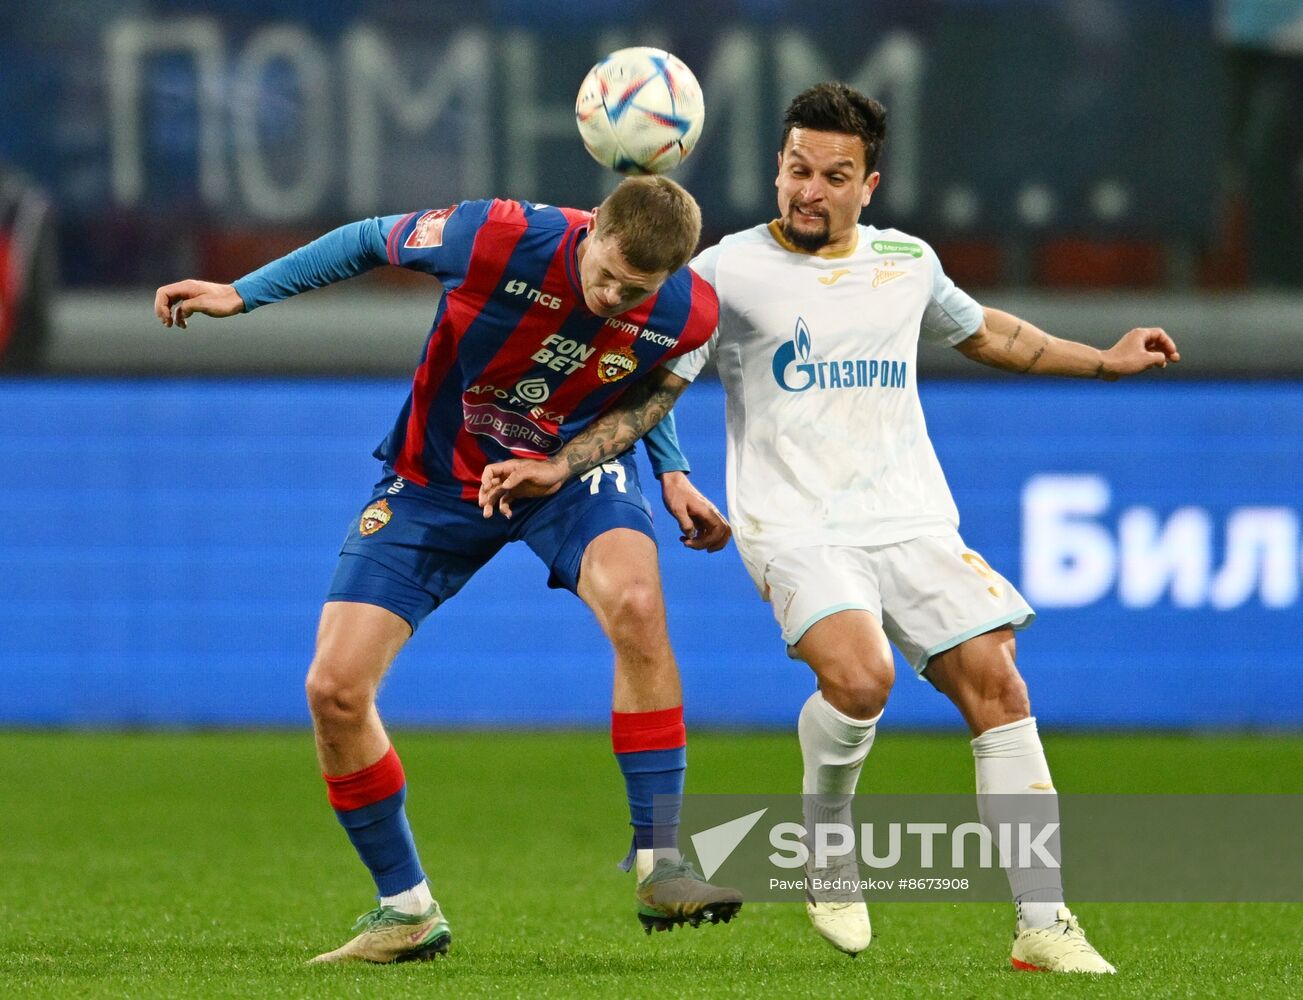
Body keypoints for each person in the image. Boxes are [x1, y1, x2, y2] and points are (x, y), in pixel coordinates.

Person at [478, 83, 1181, 974]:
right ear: (777, 168)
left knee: (999, 687)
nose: (809, 190)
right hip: (794, 525)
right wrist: (643, 471)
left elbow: (989, 333)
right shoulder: (724, 271)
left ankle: (1042, 925)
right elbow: (655, 385)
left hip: (911, 519)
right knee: (861, 679)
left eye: (833, 176)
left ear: (868, 185)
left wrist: (1102, 363)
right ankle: (826, 844)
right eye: (797, 169)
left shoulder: (906, 262)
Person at [153, 175, 742, 964]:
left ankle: (660, 863)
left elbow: (647, 391)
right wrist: (243, 294)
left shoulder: (685, 308)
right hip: (434, 479)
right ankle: (405, 911)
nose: (610, 298)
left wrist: (637, 469)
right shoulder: (493, 236)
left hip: (563, 477)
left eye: (634, 290)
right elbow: (366, 238)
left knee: (636, 602)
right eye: (605, 275)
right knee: (333, 690)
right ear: (591, 226)